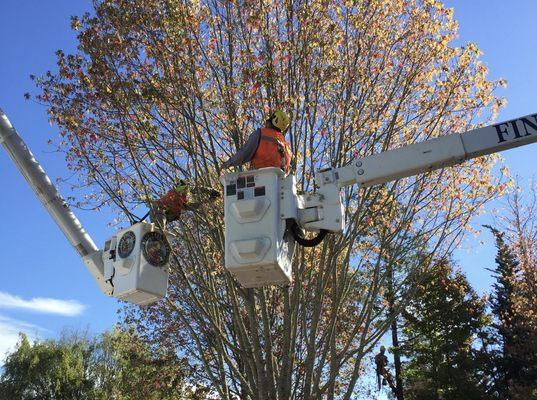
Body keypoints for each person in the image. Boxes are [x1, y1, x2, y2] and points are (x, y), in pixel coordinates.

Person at [222, 110, 292, 173]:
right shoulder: (287, 147)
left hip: (259, 180)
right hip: (279, 184)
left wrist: (228, 163)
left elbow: (244, 154)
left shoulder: (260, 134)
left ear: (272, 120)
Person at [150, 179, 220, 227]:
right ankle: (158, 232)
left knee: (161, 226)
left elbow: (191, 206)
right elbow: (197, 189)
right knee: (159, 226)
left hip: (164, 214)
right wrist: (211, 191)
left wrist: (207, 201)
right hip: (158, 210)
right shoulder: (178, 192)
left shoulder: (181, 202)